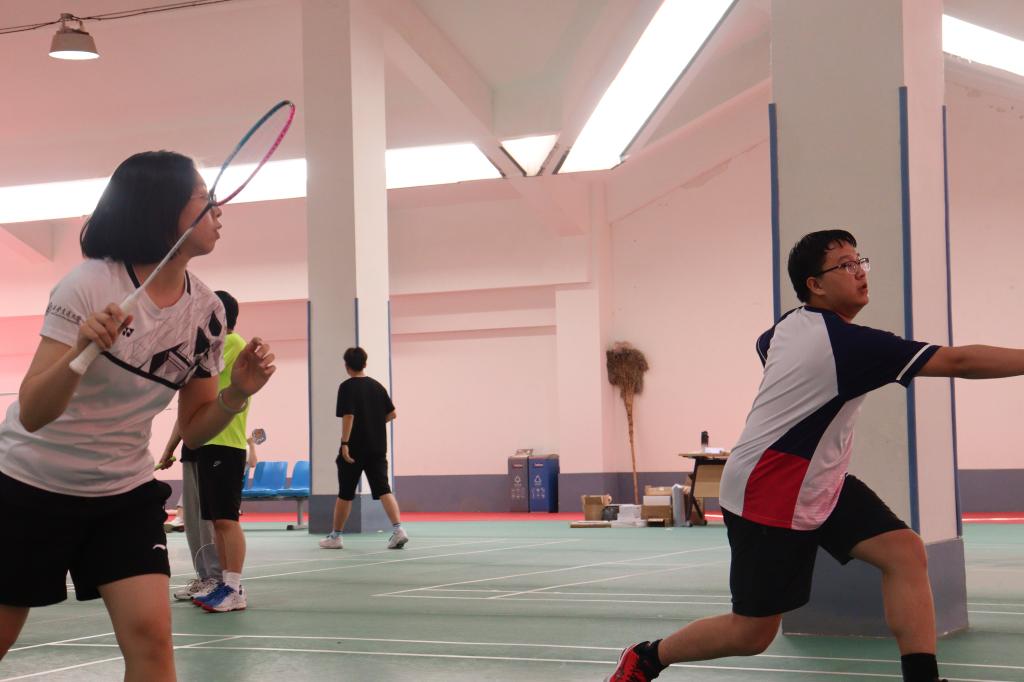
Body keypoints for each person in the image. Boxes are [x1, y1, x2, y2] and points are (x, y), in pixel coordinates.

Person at [607, 228, 1024, 682]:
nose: (860, 272)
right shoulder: (849, 345)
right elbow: (959, 362)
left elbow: (764, 346)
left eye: (860, 261)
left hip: (819, 480)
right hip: (768, 490)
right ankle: (648, 657)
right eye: (846, 265)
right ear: (815, 284)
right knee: (751, 634)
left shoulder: (789, 325)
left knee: (904, 552)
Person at [0, 151, 276, 681]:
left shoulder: (207, 313)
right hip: (31, 487)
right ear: (162, 208)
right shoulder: (90, 285)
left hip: (123, 494)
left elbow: (194, 428)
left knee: (152, 639)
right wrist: (81, 351)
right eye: (203, 197)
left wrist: (236, 393)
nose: (218, 209)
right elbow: (33, 412)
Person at [178, 290, 256, 613]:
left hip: (226, 442)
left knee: (226, 520)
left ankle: (235, 588)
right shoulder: (218, 347)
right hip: (209, 442)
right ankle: (226, 584)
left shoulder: (232, 343)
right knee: (216, 521)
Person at [319, 347, 406, 550]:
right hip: (377, 447)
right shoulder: (377, 386)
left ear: (347, 366)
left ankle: (336, 536)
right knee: (384, 489)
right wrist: (373, 424)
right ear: (364, 363)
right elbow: (392, 414)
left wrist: (345, 443)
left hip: (354, 449)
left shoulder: (346, 387)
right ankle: (399, 530)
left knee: (345, 493)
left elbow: (349, 415)